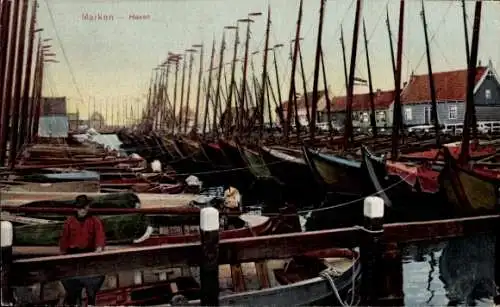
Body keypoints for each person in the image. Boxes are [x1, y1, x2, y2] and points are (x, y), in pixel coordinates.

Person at [59, 195, 106, 306]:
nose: (82, 210)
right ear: (76, 208)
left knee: (93, 283)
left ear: (88, 207)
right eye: (80, 208)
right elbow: (64, 238)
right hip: (73, 256)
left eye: (84, 208)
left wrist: (99, 247)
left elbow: (100, 235)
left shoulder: (94, 220)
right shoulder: (69, 221)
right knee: (71, 284)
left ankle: (90, 301)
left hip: (89, 256)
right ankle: (74, 301)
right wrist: (63, 253)